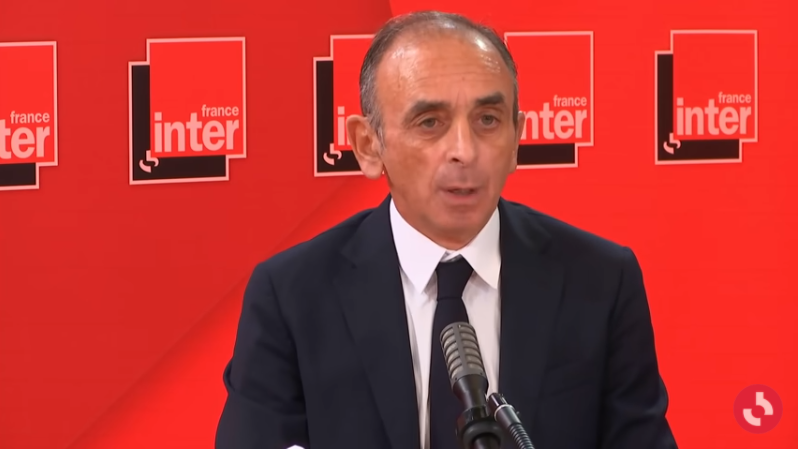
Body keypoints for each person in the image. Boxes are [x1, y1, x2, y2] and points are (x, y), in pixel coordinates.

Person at [215, 10, 677, 449]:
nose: (464, 151)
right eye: (430, 123)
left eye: (487, 120)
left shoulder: (599, 281)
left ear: (516, 139)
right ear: (368, 145)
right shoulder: (293, 296)